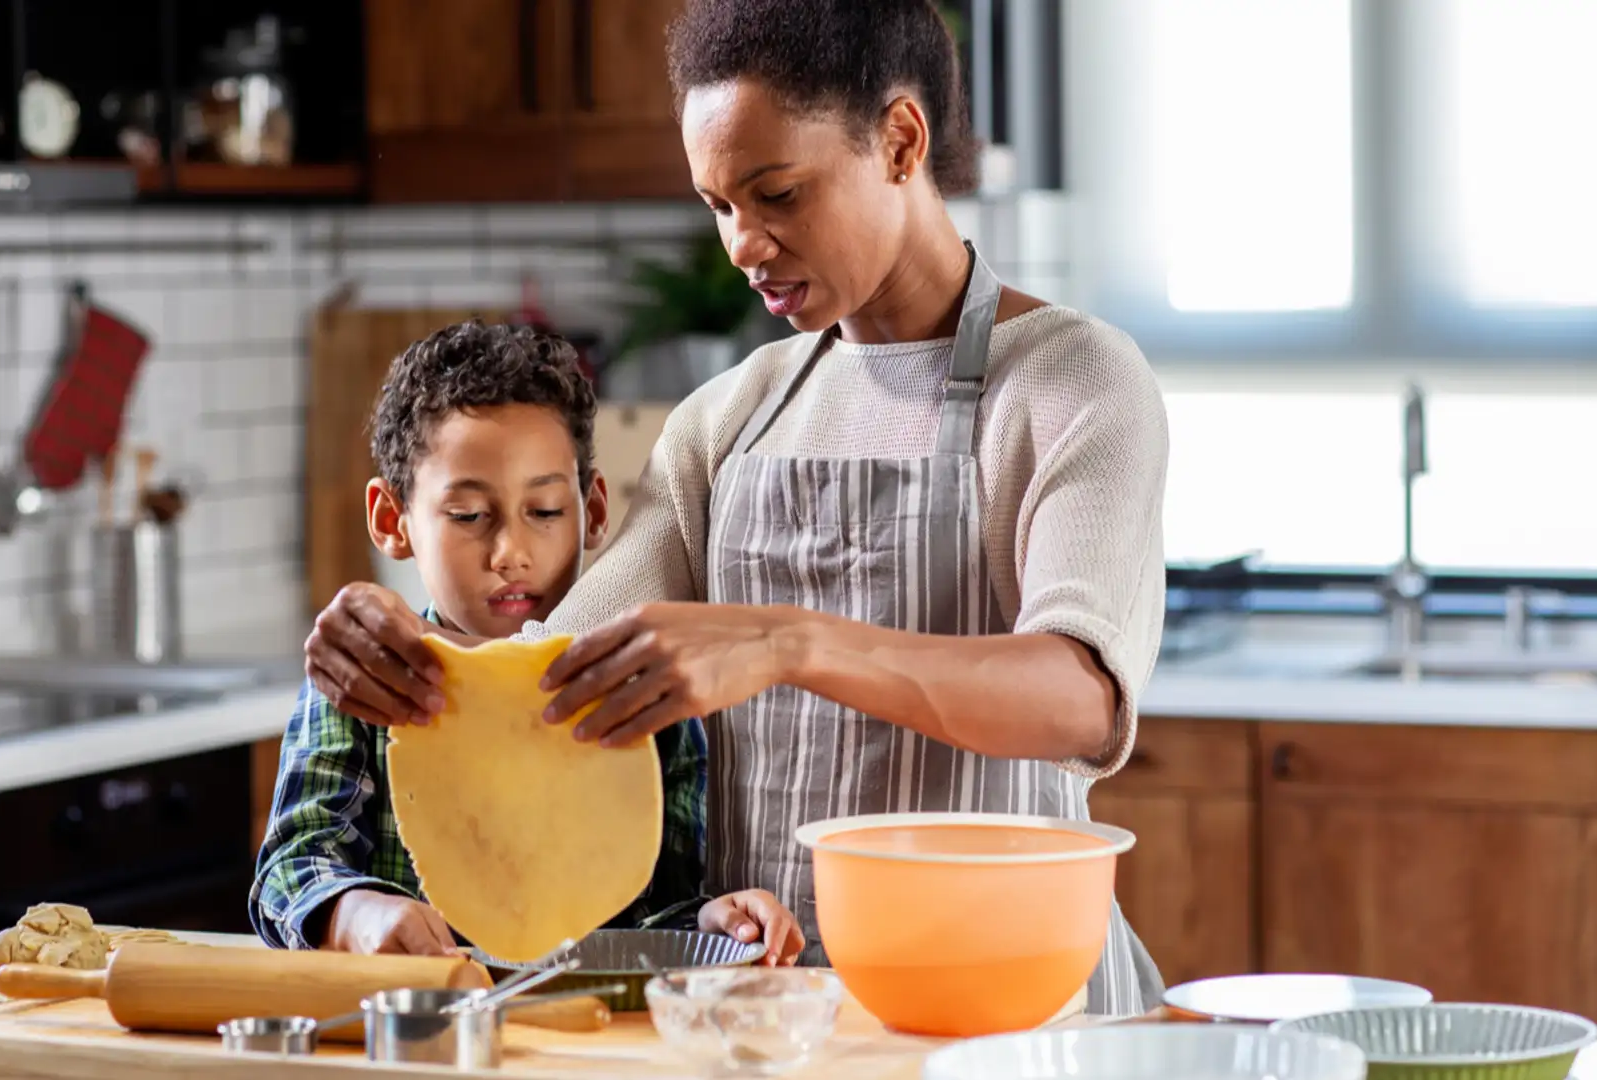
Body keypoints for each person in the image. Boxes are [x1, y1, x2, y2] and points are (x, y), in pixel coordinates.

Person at [301, 0, 1168, 1013]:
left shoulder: (1072, 382)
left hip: (1015, 1007)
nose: (744, 245)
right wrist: (395, 640)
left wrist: (786, 643)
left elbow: (1080, 697)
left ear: (899, 141)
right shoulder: (731, 417)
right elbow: (554, 673)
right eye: (718, 205)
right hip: (772, 1013)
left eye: (778, 193)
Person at [252, 319, 805, 963]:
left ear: (593, 511)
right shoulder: (367, 680)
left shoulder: (646, 701)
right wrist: (354, 913)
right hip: (415, 1041)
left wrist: (712, 922)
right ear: (390, 521)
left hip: (589, 1045)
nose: (510, 553)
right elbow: (292, 867)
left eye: (544, 513)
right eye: (467, 517)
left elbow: (659, 908)